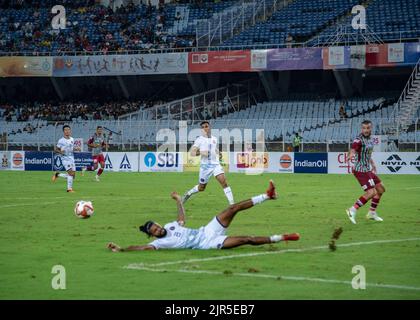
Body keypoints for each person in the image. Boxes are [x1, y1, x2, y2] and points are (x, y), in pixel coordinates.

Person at [107, 180, 300, 251]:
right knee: (246, 239)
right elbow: (141, 247)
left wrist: (178, 200)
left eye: (156, 226)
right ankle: (282, 237)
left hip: (207, 230)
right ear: (153, 236)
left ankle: (268, 195)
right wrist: (122, 249)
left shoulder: (171, 226)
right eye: (155, 231)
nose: (158, 229)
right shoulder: (158, 244)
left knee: (232, 208)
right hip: (207, 244)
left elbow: (182, 219)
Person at [182, 121, 234, 205]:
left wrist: (219, 152)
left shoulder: (214, 138)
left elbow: (214, 148)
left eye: (206, 126)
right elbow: (192, 153)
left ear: (209, 127)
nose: (204, 128)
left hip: (215, 165)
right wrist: (202, 152)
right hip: (205, 167)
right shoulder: (199, 140)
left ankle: (232, 204)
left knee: (224, 182)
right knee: (201, 188)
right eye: (202, 127)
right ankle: (189, 193)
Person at [346, 120, 385, 224]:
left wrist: (372, 163)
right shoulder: (358, 140)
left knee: (380, 189)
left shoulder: (371, 140)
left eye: (368, 128)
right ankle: (352, 210)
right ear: (361, 129)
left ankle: (371, 213)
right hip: (360, 170)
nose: (366, 130)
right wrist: (351, 154)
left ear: (371, 128)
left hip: (367, 169)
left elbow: (367, 153)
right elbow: (353, 149)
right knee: (371, 192)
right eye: (364, 128)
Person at [52, 125, 80, 192]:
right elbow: (55, 149)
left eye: (68, 130)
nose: (67, 131)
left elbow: (71, 148)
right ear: (63, 131)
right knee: (70, 174)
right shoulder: (61, 140)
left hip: (71, 158)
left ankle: (58, 174)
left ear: (70, 131)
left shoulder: (72, 139)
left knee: (73, 176)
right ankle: (69, 189)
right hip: (65, 158)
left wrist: (76, 148)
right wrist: (60, 152)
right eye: (65, 130)